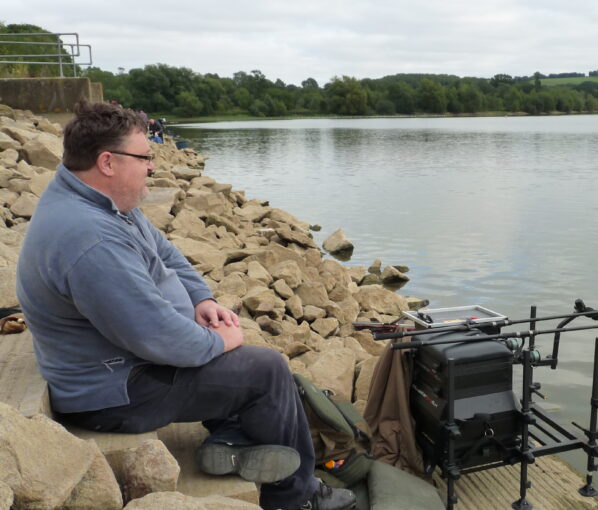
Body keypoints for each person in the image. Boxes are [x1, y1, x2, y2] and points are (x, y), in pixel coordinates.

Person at [15, 101, 356, 510]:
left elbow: (168, 254)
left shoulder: (100, 203)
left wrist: (202, 299)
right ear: (107, 162)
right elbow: (156, 336)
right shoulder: (92, 239)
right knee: (266, 370)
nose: (153, 168)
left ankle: (231, 437)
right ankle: (297, 497)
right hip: (114, 393)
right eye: (144, 158)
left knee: (237, 361)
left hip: (123, 364)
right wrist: (220, 342)